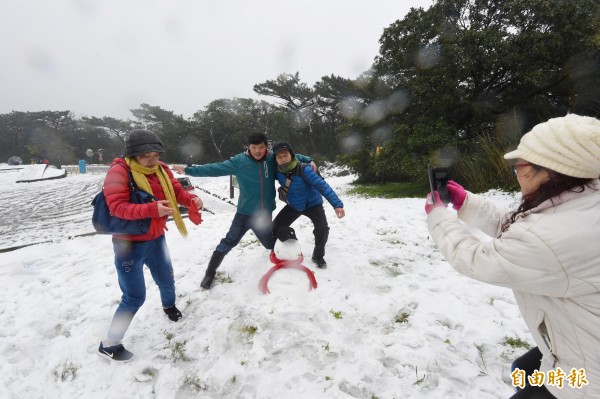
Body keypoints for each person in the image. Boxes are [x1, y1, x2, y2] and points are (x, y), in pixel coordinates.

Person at [424, 114, 600, 399]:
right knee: (525, 369)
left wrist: (438, 215)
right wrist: (468, 202)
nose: (516, 173)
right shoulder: (584, 200)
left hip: (586, 383)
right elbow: (526, 233)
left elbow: (474, 258)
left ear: (551, 171)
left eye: (519, 166)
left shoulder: (551, 237)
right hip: (584, 342)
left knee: (529, 374)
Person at [99, 129, 203, 362]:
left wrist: (191, 199)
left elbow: (176, 191)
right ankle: (109, 343)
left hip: (156, 237)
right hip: (129, 244)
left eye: (156, 155)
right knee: (134, 296)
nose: (153, 160)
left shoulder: (161, 169)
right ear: (133, 155)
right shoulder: (119, 172)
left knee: (166, 278)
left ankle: (169, 306)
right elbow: (117, 207)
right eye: (147, 156)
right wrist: (151, 209)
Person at [172, 133, 313, 289]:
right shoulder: (239, 162)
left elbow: (293, 156)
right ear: (248, 147)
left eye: (261, 147)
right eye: (254, 147)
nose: (257, 151)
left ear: (266, 146)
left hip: (263, 214)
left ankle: (285, 256)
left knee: (269, 243)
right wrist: (189, 171)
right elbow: (214, 168)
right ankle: (209, 273)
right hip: (244, 214)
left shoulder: (272, 158)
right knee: (228, 242)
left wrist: (309, 160)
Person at [271, 142, 345, 269]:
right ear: (275, 159)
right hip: (294, 205)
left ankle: (318, 256)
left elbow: (322, 185)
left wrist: (337, 205)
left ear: (291, 155)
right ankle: (279, 250)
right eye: (279, 157)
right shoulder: (276, 171)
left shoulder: (304, 169)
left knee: (322, 229)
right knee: (275, 227)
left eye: (285, 155)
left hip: (313, 204)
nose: (283, 159)